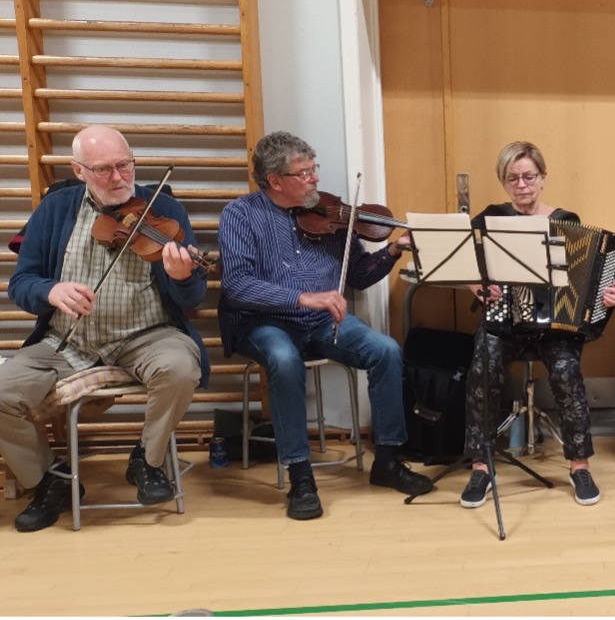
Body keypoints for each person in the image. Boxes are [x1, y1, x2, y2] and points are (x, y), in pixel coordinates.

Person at [1, 124, 208, 531]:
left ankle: (146, 460)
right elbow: (21, 283)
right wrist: (51, 290)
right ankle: (50, 480)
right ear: (79, 171)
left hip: (147, 335)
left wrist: (183, 277)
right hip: (67, 340)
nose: (117, 177)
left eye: (124, 165)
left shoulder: (164, 210)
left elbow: (193, 297)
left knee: (182, 368)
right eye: (103, 169)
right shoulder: (56, 209)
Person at [218, 131, 433, 521]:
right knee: (284, 360)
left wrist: (391, 251)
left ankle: (388, 460)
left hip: (321, 323)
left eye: (314, 168)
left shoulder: (331, 213)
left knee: (386, 350)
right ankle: (301, 476)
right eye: (304, 173)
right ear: (275, 181)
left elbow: (361, 275)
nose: (315, 178)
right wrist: (303, 297)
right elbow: (237, 285)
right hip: (264, 323)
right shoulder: (240, 215)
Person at [460, 141, 615, 509]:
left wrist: (607, 296)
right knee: (483, 364)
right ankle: (481, 466)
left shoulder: (566, 221)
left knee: (566, 371)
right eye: (512, 178)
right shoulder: (490, 219)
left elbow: (588, 281)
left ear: (543, 177)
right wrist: (475, 284)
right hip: (504, 321)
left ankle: (579, 466)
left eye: (529, 177)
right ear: (503, 181)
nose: (521, 185)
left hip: (554, 326)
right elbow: (465, 262)